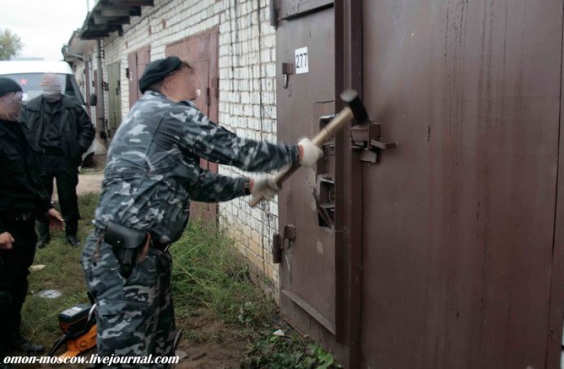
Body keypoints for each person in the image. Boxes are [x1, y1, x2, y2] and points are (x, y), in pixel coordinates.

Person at [81, 56, 323, 365]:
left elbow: (191, 182)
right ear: (168, 82)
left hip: (139, 255)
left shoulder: (148, 115)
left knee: (156, 348)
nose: (196, 80)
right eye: (188, 74)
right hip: (126, 259)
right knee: (125, 358)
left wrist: (248, 186)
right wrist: (297, 153)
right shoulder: (168, 113)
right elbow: (233, 149)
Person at [0, 78, 64, 367]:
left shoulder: (17, 129)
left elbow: (28, 175)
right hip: (4, 227)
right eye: (16, 98)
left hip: (23, 223)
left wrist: (44, 208)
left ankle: (12, 337)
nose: (21, 104)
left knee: (17, 283)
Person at [20, 73, 95, 248]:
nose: (50, 86)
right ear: (42, 86)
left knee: (68, 196)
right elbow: (22, 132)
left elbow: (87, 130)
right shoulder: (31, 107)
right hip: (41, 159)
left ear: (58, 86)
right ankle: (43, 235)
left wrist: (78, 148)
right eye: (46, 83)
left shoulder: (72, 106)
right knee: (41, 197)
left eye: (52, 83)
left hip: (65, 158)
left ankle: (71, 233)